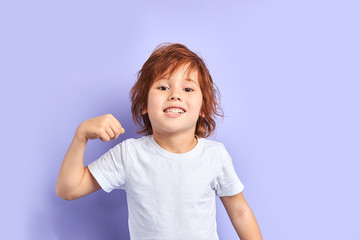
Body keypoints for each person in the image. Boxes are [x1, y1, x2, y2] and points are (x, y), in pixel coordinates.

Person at [56, 43, 262, 240]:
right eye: (163, 87)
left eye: (188, 89)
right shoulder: (129, 155)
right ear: (144, 104)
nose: (175, 95)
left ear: (203, 108)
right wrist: (80, 136)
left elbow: (240, 212)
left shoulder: (215, 155)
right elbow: (68, 189)